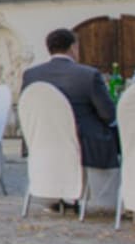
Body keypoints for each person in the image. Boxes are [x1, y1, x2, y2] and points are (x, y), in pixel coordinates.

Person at [21, 28, 120, 170]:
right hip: (84, 149)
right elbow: (109, 115)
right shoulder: (89, 75)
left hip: (44, 143)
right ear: (73, 47)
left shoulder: (30, 75)